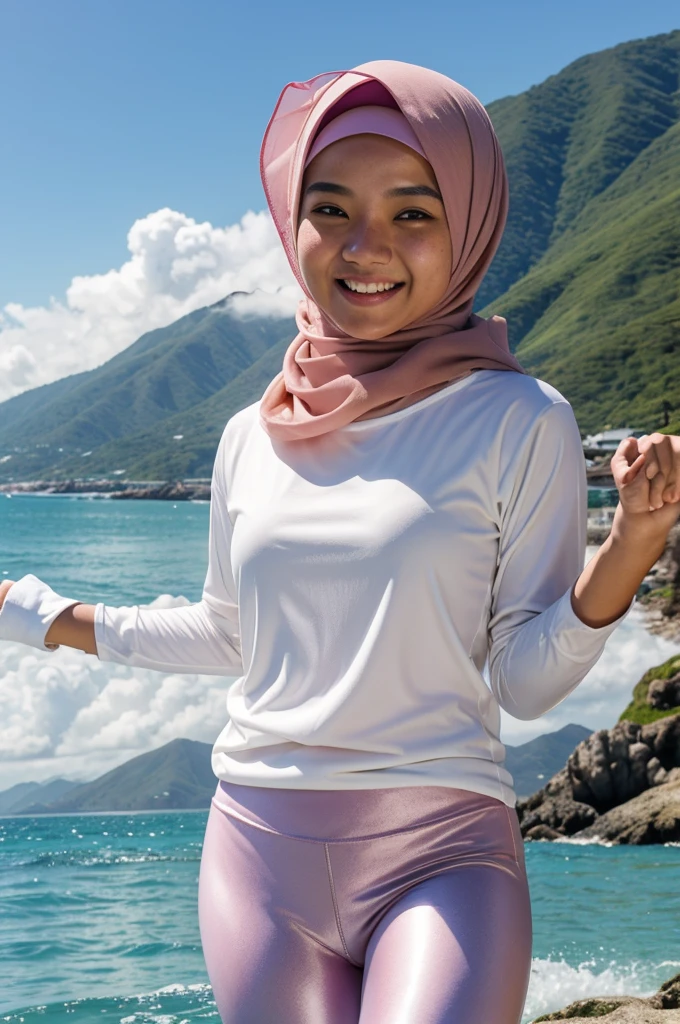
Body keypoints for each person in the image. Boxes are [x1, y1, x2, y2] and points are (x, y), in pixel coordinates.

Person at [1, 59, 679, 1024]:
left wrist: (633, 545)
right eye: (330, 209)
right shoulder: (254, 431)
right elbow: (234, 635)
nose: (366, 247)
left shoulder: (520, 417)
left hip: (444, 849)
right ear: (293, 223)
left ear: (471, 226)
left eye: (413, 212)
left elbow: (524, 679)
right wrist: (30, 615)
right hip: (255, 852)